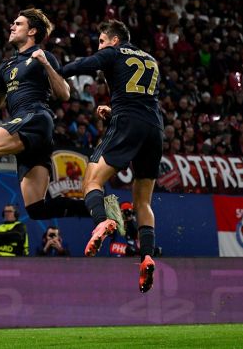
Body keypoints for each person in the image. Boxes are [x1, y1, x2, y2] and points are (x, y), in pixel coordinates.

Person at [0, 8, 93, 225]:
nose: (12, 27)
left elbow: (65, 94)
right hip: (29, 132)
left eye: (18, 24)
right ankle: (100, 209)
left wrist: (45, 63)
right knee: (37, 209)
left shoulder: (44, 57)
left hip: (36, 117)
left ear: (32, 31)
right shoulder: (6, 67)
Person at [52, 20, 163, 293]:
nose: (99, 46)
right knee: (143, 202)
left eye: (102, 41)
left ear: (114, 40)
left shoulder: (114, 52)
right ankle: (147, 255)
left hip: (127, 123)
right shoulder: (151, 60)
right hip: (154, 128)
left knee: (91, 182)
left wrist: (56, 71)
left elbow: (86, 63)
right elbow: (140, 102)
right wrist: (113, 112)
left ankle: (102, 221)